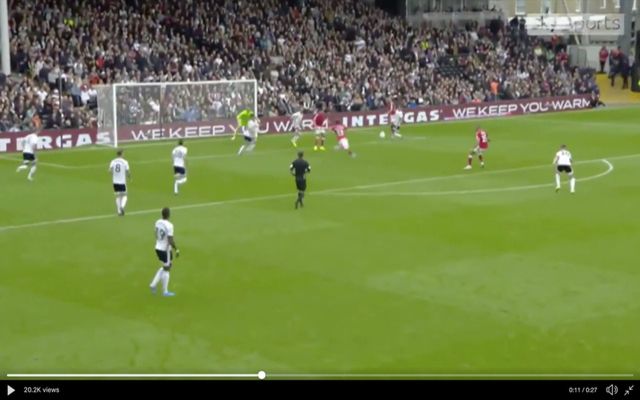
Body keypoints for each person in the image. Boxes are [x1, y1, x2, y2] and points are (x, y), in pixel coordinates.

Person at [149, 207, 180, 297]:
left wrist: (160, 241)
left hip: (157, 247)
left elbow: (155, 233)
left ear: (162, 214)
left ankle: (153, 284)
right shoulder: (170, 225)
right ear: (169, 214)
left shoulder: (158, 222)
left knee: (166, 266)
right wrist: (176, 249)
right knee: (167, 269)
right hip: (165, 250)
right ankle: (165, 291)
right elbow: (170, 240)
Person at [108, 149, 131, 216]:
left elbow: (109, 171)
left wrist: (114, 175)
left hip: (115, 182)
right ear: (122, 154)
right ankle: (122, 207)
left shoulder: (113, 161)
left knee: (118, 196)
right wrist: (130, 177)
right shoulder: (125, 162)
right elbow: (128, 171)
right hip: (122, 182)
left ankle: (119, 212)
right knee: (125, 196)